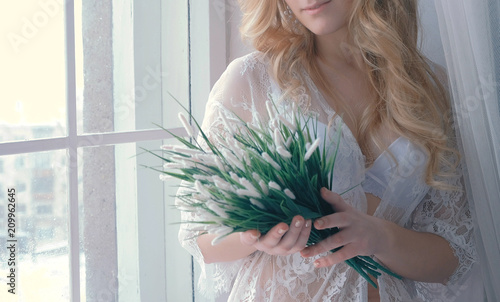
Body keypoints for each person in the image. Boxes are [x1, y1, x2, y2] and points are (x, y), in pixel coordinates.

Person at [177, 0, 483, 301]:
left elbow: (454, 254)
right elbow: (198, 235)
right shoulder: (253, 79)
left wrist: (381, 238)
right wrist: (254, 236)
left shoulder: (429, 89)